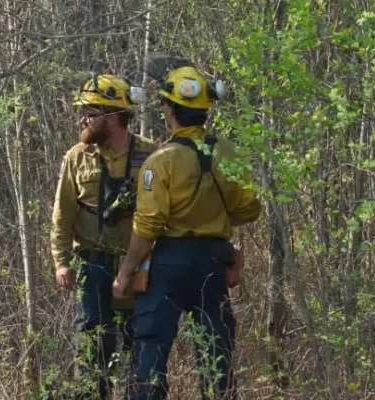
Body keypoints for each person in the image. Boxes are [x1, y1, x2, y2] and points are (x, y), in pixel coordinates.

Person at [111, 64, 262, 399]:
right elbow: (249, 209)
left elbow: (147, 225)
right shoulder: (229, 153)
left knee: (151, 352)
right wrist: (213, 219)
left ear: (170, 110)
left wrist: (125, 273)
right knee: (216, 354)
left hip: (167, 263)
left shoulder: (160, 160)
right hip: (212, 262)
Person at [50, 74, 158, 399]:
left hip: (139, 269)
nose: (83, 119)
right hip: (92, 266)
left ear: (111, 117)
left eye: (90, 113)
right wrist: (61, 263)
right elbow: (62, 214)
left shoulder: (151, 156)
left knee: (140, 350)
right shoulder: (76, 157)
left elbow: (162, 216)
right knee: (93, 349)